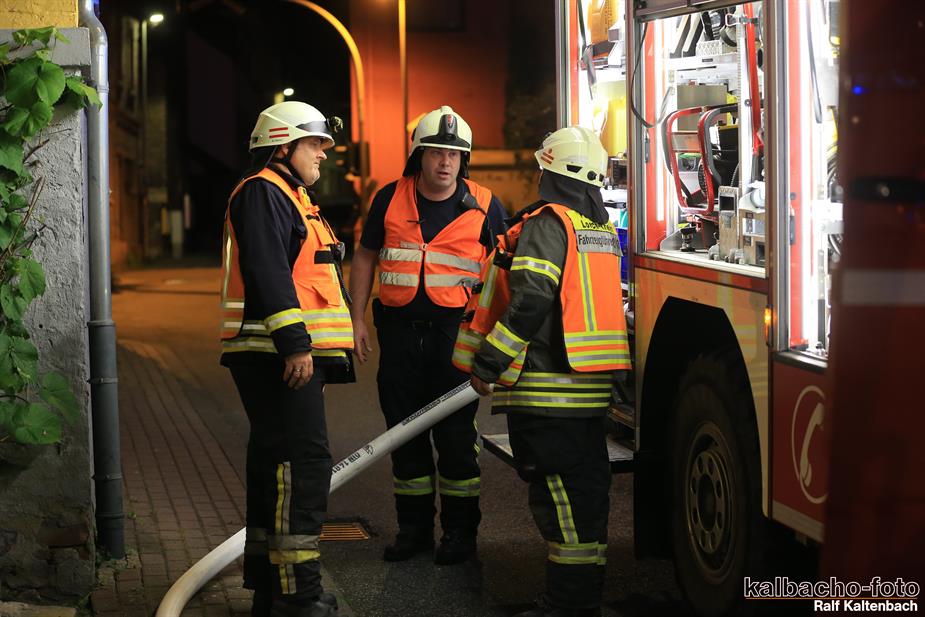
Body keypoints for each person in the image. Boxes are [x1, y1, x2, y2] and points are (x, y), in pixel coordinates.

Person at [455, 126, 631, 617]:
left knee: (559, 502)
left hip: (547, 394)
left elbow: (531, 298)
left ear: (549, 173)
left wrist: (488, 362)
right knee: (585, 501)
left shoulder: (549, 223)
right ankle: (581, 601)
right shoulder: (597, 230)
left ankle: (567, 606)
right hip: (590, 394)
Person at [349, 105, 507, 565]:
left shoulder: (486, 204)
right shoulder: (389, 198)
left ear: (464, 160)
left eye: (454, 154)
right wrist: (356, 319)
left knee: (457, 442)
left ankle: (460, 534)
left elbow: (505, 274)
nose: (445, 161)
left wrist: (496, 341)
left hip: (456, 340)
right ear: (419, 155)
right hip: (399, 338)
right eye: (436, 152)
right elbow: (365, 256)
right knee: (404, 438)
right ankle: (413, 530)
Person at [220, 101, 354, 617]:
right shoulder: (264, 192)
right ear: (283, 145)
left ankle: (271, 590)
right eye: (315, 143)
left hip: (276, 353)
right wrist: (296, 343)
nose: (323, 154)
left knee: (277, 467)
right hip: (276, 355)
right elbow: (269, 270)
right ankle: (297, 595)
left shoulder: (289, 195)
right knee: (301, 468)